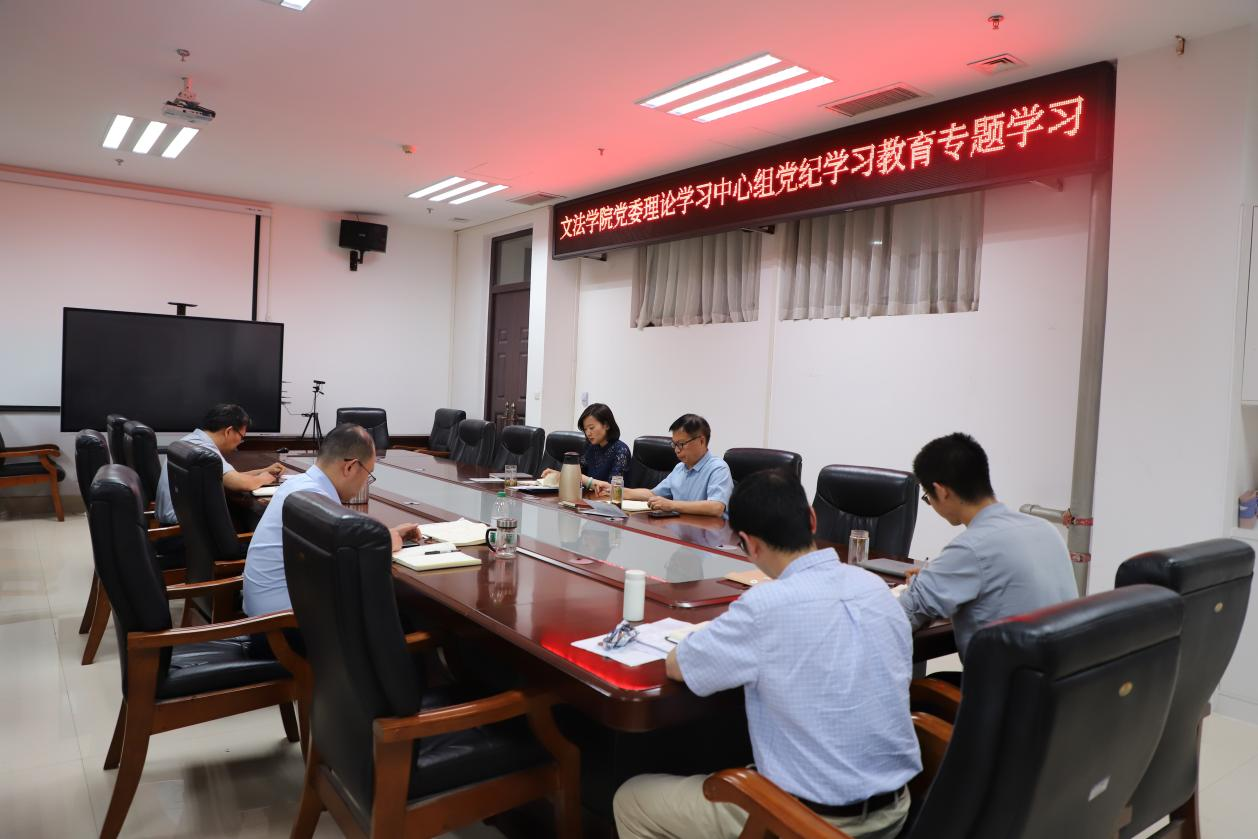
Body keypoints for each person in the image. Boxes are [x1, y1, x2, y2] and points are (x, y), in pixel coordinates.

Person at [613, 470, 919, 839]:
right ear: (812, 518)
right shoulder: (875, 587)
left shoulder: (765, 605)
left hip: (809, 823)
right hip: (897, 810)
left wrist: (705, 632)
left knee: (631, 800)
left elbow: (678, 665)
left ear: (748, 544)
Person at [899, 432, 1078, 660]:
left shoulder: (971, 548)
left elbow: (903, 613)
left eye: (928, 497)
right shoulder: (1046, 529)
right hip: (1057, 677)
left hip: (1003, 681)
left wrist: (921, 584)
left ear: (942, 491)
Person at [243, 423, 420, 619]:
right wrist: (387, 542)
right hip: (284, 623)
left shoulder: (299, 486)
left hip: (272, 610)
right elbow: (349, 563)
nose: (365, 482)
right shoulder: (317, 502)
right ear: (350, 467)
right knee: (403, 613)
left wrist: (386, 535)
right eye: (368, 474)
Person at [154, 403, 283, 525]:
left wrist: (263, 471)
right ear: (229, 431)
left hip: (179, 520)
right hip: (183, 527)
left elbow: (231, 476)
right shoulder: (205, 451)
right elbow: (243, 483)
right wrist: (265, 478)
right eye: (241, 437)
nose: (240, 442)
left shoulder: (192, 441)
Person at [621, 414, 733, 518]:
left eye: (681, 444)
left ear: (701, 441)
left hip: (708, 531)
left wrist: (672, 505)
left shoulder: (718, 468)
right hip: (680, 527)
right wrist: (619, 491)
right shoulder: (679, 468)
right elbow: (652, 494)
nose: (676, 450)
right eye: (674, 444)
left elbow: (716, 507)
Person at [540, 402, 630, 494]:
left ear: (606, 425)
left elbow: (614, 490)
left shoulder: (621, 450)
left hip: (608, 501)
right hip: (589, 498)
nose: (588, 433)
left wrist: (571, 476)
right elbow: (578, 475)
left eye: (591, 428)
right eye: (585, 429)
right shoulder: (590, 446)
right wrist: (559, 475)